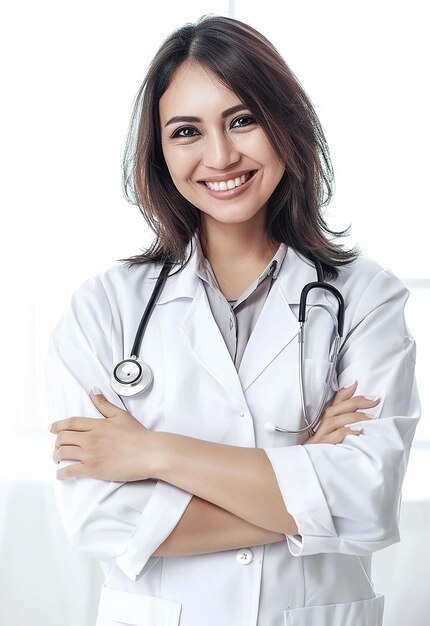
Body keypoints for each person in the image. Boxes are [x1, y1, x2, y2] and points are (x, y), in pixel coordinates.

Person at [47, 15, 420, 626]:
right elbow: (100, 521)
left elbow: (368, 503)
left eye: (242, 120)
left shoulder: (365, 298)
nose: (219, 155)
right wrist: (305, 483)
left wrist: (153, 452)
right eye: (186, 131)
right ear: (160, 151)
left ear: (285, 124)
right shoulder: (104, 308)